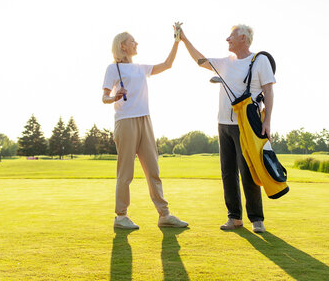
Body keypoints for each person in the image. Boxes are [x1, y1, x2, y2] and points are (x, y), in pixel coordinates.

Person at [179, 24, 275, 233]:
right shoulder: (225, 63)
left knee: (248, 170)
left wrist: (267, 122)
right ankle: (234, 218)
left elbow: (268, 90)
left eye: (231, 36)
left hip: (247, 125)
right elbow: (200, 60)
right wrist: (184, 39)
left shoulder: (260, 61)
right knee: (227, 172)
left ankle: (256, 219)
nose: (227, 39)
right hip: (223, 124)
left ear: (243, 38)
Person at [102, 31, 188, 230]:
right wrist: (114, 97)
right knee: (126, 172)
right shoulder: (112, 68)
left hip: (145, 120)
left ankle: (164, 215)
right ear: (123, 46)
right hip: (125, 122)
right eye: (132, 41)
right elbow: (104, 97)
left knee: (153, 170)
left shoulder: (141, 68)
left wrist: (177, 41)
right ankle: (121, 216)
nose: (136, 43)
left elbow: (167, 64)